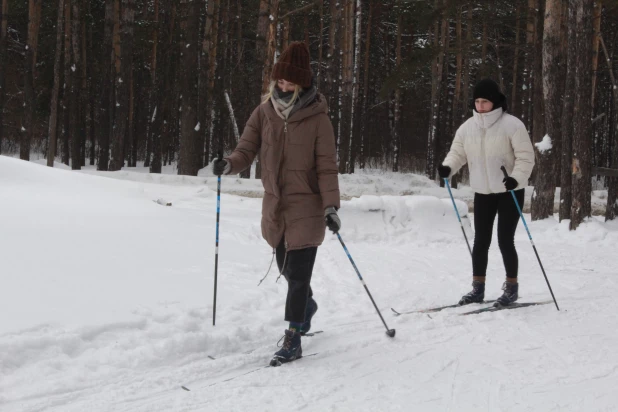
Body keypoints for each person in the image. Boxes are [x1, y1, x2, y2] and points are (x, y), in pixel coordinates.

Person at [212, 41, 341, 364]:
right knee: (287, 268)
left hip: (307, 206)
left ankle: (293, 337)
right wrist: (229, 164)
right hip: (276, 207)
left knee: (298, 276)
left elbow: (327, 166)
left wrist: (330, 206)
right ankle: (307, 305)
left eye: (290, 82)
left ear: (303, 83)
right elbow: (246, 150)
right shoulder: (264, 112)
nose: (284, 86)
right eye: (280, 81)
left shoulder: (318, 119)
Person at [438, 78, 535, 307]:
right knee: (481, 241)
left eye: (485, 101)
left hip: (510, 191)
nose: (480, 105)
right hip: (482, 192)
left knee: (504, 240)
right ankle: (477, 288)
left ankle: (511, 287)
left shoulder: (512, 125)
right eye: (477, 101)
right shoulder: (467, 127)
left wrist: (516, 178)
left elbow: (526, 157)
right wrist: (448, 167)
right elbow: (457, 153)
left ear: (495, 102)